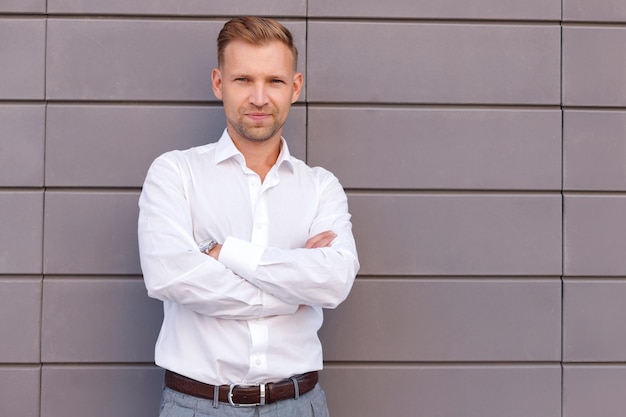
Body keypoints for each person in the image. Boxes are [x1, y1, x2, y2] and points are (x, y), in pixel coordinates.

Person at [137, 16, 360, 417]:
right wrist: (293, 290)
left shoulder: (321, 187)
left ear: (295, 88)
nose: (259, 98)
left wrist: (228, 255)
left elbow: (335, 280)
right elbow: (170, 275)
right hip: (198, 407)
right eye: (243, 80)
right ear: (219, 83)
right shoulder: (175, 174)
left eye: (274, 81)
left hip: (300, 406)